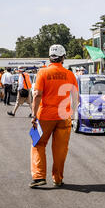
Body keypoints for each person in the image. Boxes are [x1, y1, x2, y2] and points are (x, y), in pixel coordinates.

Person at [30, 44, 79, 188]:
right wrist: (74, 116)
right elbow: (76, 97)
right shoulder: (70, 74)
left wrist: (33, 115)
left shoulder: (42, 72)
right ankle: (57, 179)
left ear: (50, 57)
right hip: (64, 116)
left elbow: (37, 94)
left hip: (45, 115)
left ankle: (39, 177)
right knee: (60, 149)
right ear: (63, 57)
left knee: (37, 144)